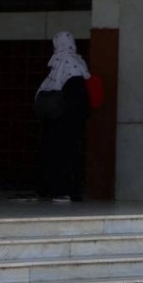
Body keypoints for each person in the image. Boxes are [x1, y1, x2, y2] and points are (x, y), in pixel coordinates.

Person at [35, 31, 91, 202]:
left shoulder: (60, 63)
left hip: (59, 119)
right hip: (71, 120)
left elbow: (56, 89)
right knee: (70, 153)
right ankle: (67, 189)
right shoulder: (77, 63)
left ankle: (60, 189)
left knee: (58, 154)